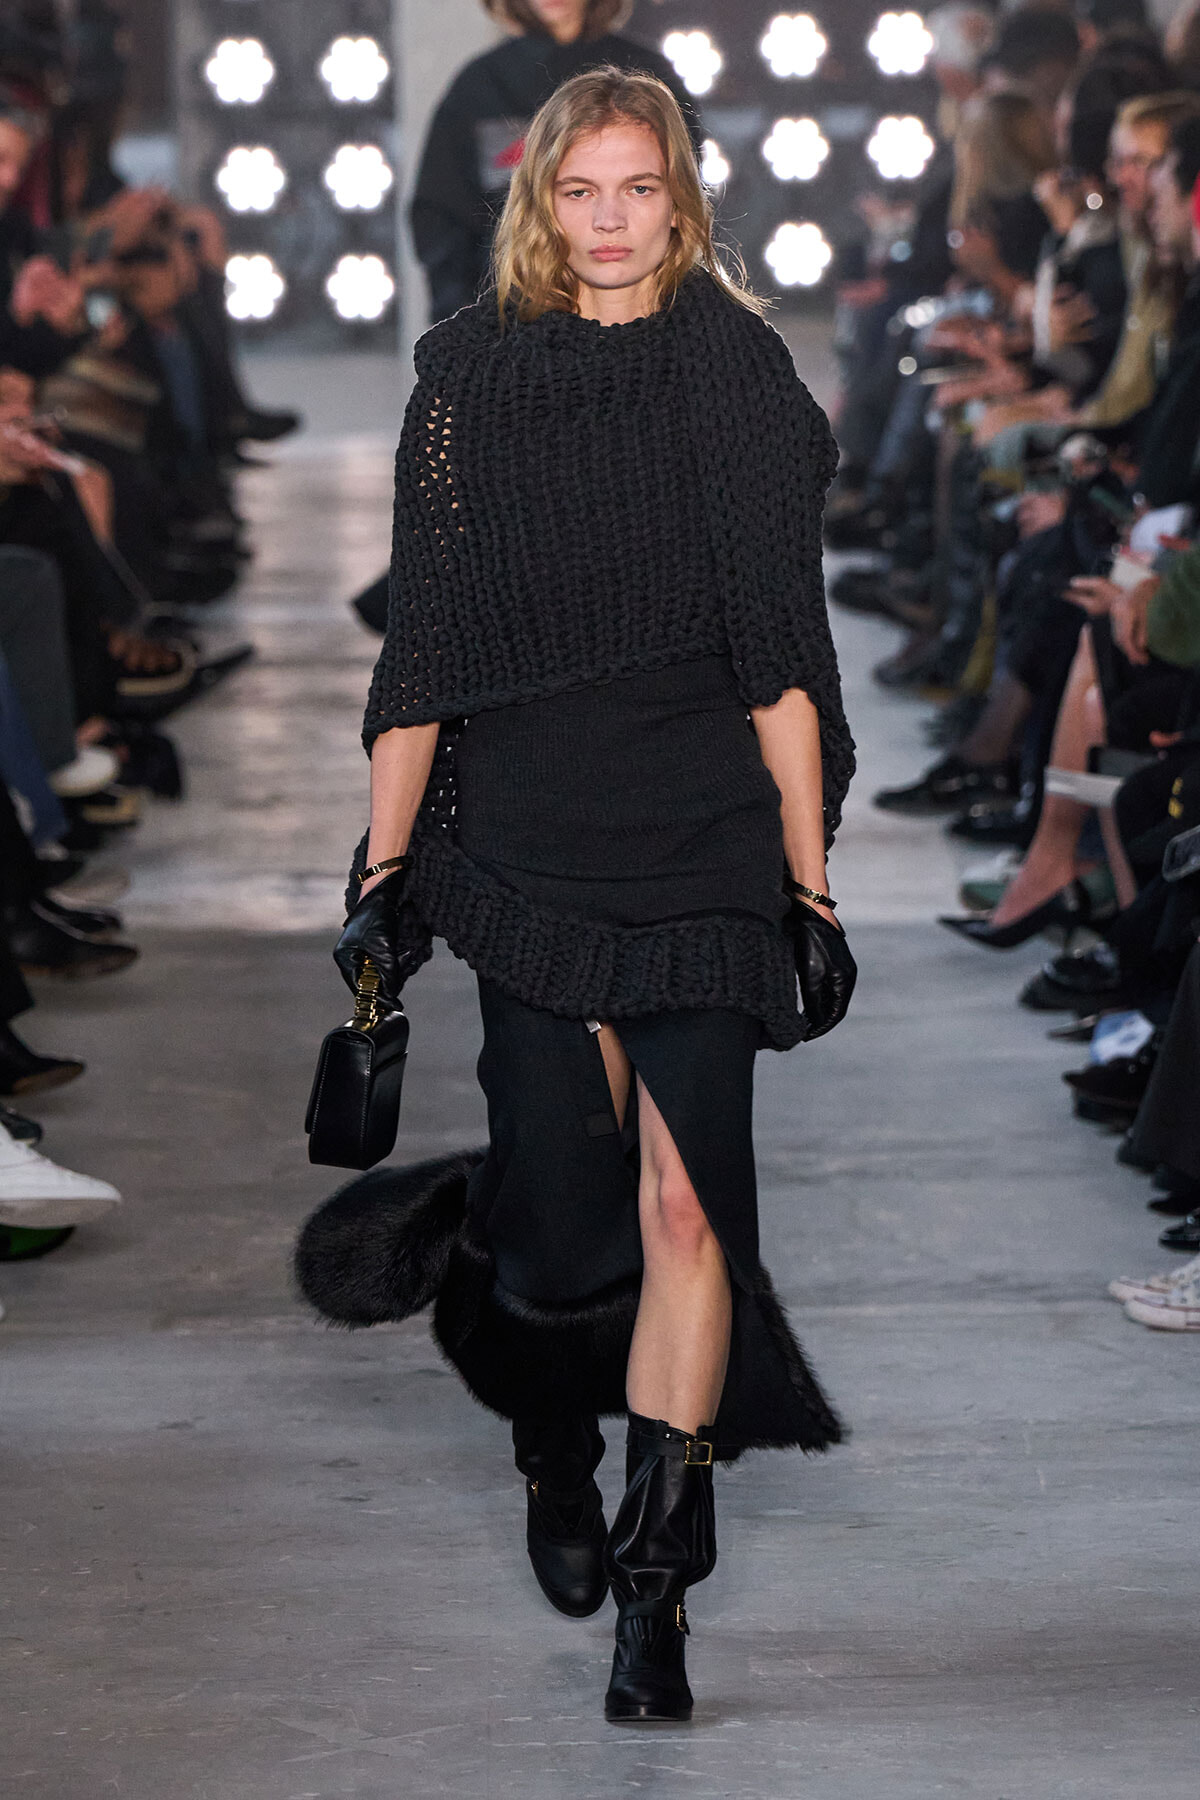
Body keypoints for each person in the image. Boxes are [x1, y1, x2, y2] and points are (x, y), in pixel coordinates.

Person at [299, 67, 856, 1725]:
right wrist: (387, 870)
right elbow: (428, 659)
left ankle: (655, 1583)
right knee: (563, 1218)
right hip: (531, 833)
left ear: (681, 201)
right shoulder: (465, 383)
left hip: (697, 831)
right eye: (581, 190)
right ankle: (545, 1408)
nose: (612, 220)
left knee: (685, 1210)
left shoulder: (738, 378)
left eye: (642, 189)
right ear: (537, 200)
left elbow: (783, 660)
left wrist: (810, 891)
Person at [409, 0, 700, 322]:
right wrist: (464, 323)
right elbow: (442, 214)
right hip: (509, 320)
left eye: (638, 188)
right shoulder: (478, 88)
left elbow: (689, 201)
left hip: (644, 316)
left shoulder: (651, 79)